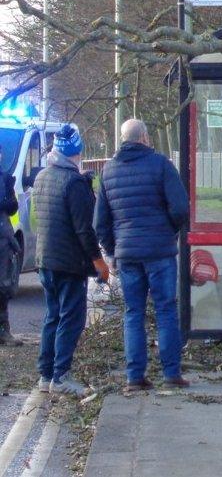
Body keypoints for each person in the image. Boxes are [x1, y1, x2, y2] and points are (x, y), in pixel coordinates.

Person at [95, 119, 190, 393]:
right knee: (166, 311)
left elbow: (100, 221)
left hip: (127, 255)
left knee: (133, 313)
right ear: (145, 137)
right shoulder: (161, 165)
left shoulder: (109, 171)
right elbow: (181, 207)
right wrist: (169, 231)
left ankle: (135, 376)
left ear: (123, 140)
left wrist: (112, 251)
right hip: (159, 251)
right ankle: (171, 373)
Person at [34, 125, 109, 396]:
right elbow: (84, 229)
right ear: (77, 151)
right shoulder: (74, 182)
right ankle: (61, 376)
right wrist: (99, 262)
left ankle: (46, 375)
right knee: (71, 318)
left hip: (45, 259)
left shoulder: (42, 177)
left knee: (52, 316)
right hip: (69, 263)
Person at [0, 148, 23, 346]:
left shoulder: (5, 178)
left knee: (3, 285)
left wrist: (8, 196)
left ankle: (3, 330)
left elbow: (12, 207)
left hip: (3, 237)